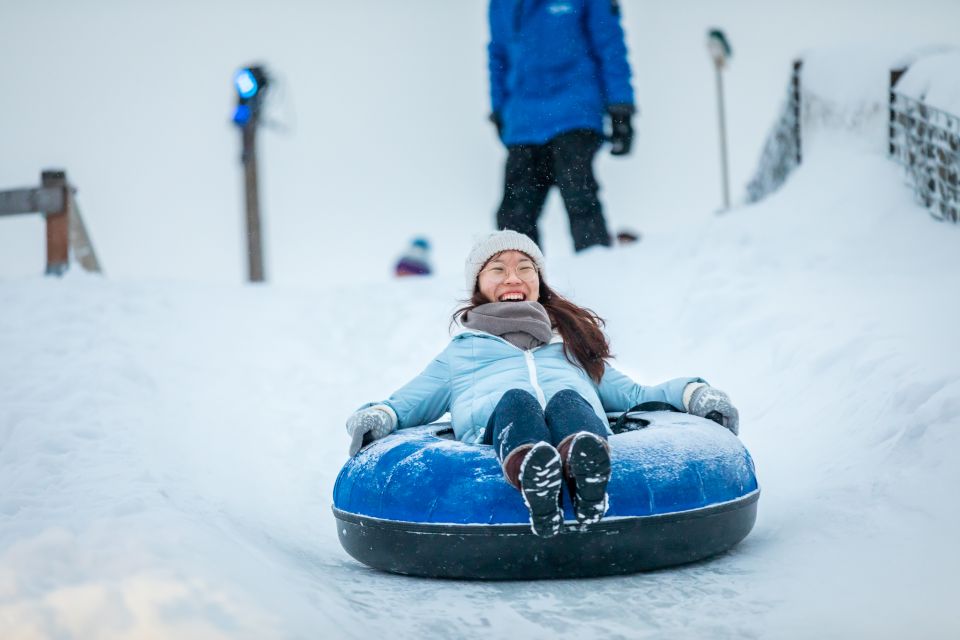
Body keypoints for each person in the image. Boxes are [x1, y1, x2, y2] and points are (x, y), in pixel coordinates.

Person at [345, 230, 739, 538]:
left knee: (568, 398)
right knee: (516, 400)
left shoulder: (569, 345)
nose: (513, 277)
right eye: (498, 269)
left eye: (525, 267)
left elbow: (638, 396)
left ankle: (585, 468)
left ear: (539, 280)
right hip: (495, 438)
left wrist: (694, 392)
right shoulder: (462, 353)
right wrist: (377, 417)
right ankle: (534, 471)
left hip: (580, 428)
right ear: (479, 285)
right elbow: (407, 403)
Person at [487, 0, 636, 252]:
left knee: (579, 196)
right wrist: (499, 107)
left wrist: (621, 106)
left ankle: (598, 275)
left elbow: (609, 44)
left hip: (574, 111)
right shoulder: (501, 4)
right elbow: (498, 54)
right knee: (513, 215)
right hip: (524, 120)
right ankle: (523, 285)